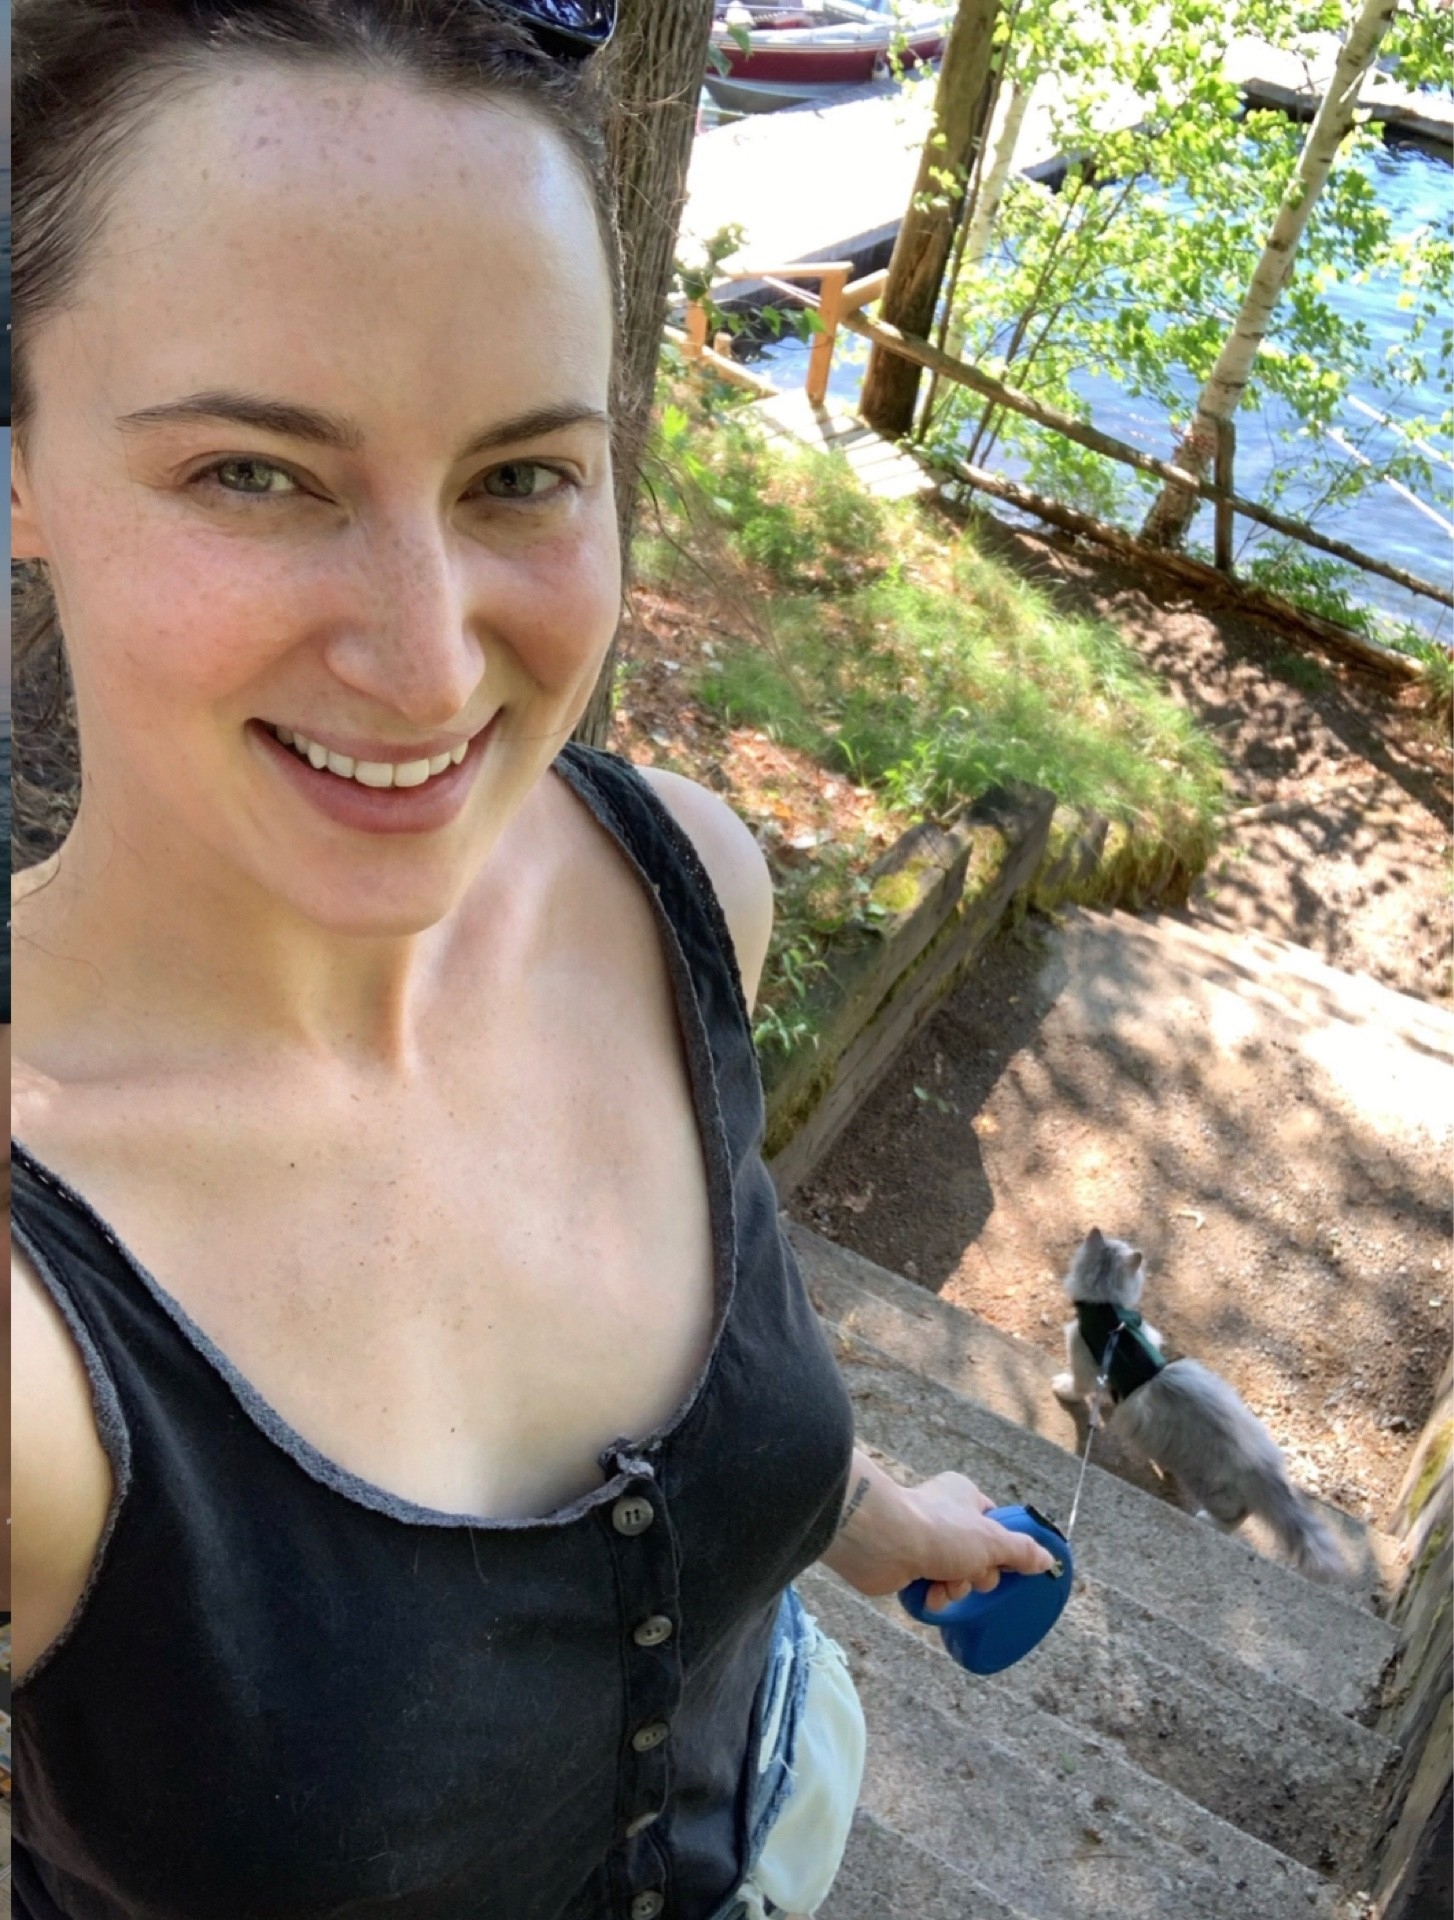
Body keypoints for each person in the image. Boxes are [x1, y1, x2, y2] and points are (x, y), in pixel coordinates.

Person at [8, 4, 1055, 1916]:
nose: (427, 667)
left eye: (519, 476)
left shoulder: (677, 887)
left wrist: (869, 1516)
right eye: (253, 473)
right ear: (20, 465)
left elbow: (719, 1355)